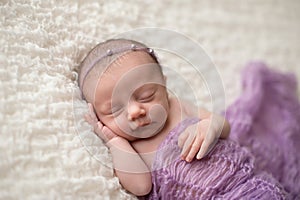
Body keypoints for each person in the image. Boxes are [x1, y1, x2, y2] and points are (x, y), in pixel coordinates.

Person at [78, 39, 293, 199]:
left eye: (146, 96)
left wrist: (209, 125)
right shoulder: (128, 148)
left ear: (164, 85)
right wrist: (113, 140)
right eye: (114, 110)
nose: (135, 111)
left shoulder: (177, 107)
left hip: (248, 185)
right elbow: (141, 187)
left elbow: (224, 125)